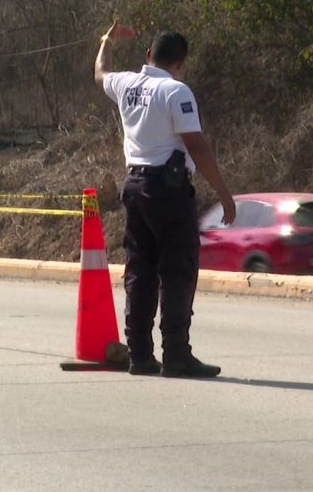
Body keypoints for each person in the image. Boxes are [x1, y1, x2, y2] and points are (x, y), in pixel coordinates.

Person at [94, 24, 236, 378]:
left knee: (140, 270)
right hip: (169, 191)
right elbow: (196, 145)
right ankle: (176, 353)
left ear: (148, 56)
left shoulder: (126, 83)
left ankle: (139, 353)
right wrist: (223, 193)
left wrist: (106, 41)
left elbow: (100, 74)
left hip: (135, 188)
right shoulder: (176, 91)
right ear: (180, 63)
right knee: (177, 270)